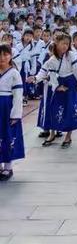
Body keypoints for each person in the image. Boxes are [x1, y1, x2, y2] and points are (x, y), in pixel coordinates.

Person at [29, 33, 77, 147]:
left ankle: (68, 137)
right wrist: (36, 78)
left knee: (71, 110)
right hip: (60, 85)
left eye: (67, 43)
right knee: (55, 109)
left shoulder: (71, 55)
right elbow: (46, 72)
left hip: (72, 83)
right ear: (56, 44)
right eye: (62, 43)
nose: (65, 46)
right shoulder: (52, 59)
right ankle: (52, 133)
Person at [0, 44, 25, 181]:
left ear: (11, 56)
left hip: (7, 107)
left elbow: (18, 95)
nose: (2, 58)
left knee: (8, 136)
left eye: (5, 54)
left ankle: (8, 167)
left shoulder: (14, 73)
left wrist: (16, 114)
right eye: (0, 55)